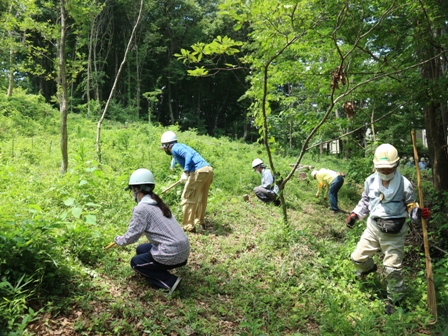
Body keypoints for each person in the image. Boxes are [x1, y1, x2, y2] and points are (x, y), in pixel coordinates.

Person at [345, 144, 430, 314]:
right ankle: (369, 268)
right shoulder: (370, 181)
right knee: (357, 259)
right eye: (381, 168)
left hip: (395, 231)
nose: (385, 171)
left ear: (396, 165)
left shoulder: (405, 185)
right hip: (373, 227)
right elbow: (366, 201)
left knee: (392, 268)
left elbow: (410, 206)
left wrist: (417, 212)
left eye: (388, 168)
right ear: (376, 166)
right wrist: (355, 215)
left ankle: (395, 300)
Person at [112, 168, 190, 294]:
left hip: (172, 252)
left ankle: (170, 282)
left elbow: (132, 237)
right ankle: (157, 268)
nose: (132, 193)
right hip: (183, 250)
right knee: (141, 250)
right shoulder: (157, 202)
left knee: (135, 262)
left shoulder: (141, 209)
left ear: (137, 189)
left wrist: (118, 240)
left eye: (132, 190)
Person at [161, 131, 214, 232]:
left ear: (167, 145)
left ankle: (188, 226)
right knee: (201, 197)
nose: (164, 149)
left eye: (163, 146)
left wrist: (185, 172)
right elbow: (177, 157)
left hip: (198, 171)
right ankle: (200, 221)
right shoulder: (178, 147)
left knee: (187, 197)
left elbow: (188, 156)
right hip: (208, 170)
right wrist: (172, 165)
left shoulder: (175, 148)